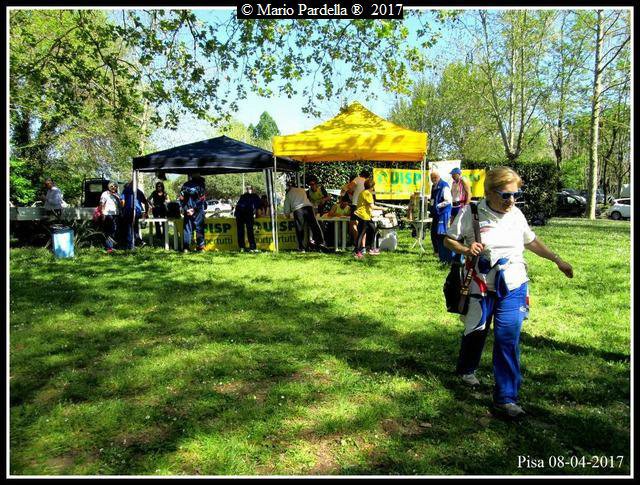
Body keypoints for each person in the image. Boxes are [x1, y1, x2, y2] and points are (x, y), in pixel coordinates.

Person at [444, 166, 574, 419]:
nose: (512, 200)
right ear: (489, 192)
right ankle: (466, 369)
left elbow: (530, 240)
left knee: (507, 338)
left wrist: (557, 260)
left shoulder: (516, 214)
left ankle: (506, 398)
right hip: (481, 285)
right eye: (506, 195)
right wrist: (466, 249)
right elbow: (449, 239)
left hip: (514, 284)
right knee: (476, 330)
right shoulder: (471, 212)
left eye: (516, 194)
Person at [283, 182, 327, 252]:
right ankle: (321, 243)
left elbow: (286, 211)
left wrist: (288, 215)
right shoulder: (302, 190)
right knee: (314, 225)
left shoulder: (288, 194)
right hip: (308, 207)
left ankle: (301, 247)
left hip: (298, 209)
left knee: (300, 228)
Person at [353, 179, 384, 259]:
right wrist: (383, 208)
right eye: (373, 186)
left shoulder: (363, 192)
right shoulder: (367, 193)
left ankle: (371, 248)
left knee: (373, 229)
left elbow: (367, 206)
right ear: (372, 187)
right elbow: (372, 206)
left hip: (366, 216)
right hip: (363, 216)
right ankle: (357, 252)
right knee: (361, 234)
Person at [429, 170, 453, 263]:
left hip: (443, 213)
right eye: (432, 178)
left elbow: (448, 201)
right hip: (436, 213)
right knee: (433, 233)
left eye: (435, 178)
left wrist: (438, 205)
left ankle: (444, 255)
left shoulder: (444, 185)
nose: (433, 179)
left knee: (441, 234)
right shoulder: (433, 186)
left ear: (438, 177)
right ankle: (436, 252)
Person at [179, 173, 207, 252]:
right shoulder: (201, 185)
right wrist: (192, 209)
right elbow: (202, 199)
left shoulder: (185, 185)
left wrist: (186, 209)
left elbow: (181, 198)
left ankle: (187, 248)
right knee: (198, 228)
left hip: (190, 210)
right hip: (196, 210)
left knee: (189, 228)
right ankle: (200, 247)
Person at [343, 170, 370, 248]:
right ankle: (363, 246)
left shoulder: (358, 179)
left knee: (353, 224)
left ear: (360, 175)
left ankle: (356, 242)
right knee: (363, 227)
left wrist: (345, 190)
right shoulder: (368, 182)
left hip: (355, 204)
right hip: (364, 206)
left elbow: (349, 187)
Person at [120, 181, 149, 250]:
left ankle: (131, 245)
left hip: (129, 211)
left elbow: (122, 202)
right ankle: (138, 242)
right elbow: (145, 202)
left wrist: (122, 209)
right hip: (137, 212)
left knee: (129, 228)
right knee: (134, 228)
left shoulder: (126, 190)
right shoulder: (138, 191)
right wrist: (146, 212)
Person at [235, 185, 262, 252]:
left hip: (242, 214)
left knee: (244, 231)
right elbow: (258, 208)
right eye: (248, 189)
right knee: (248, 231)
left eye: (250, 189)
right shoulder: (253, 196)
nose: (249, 190)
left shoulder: (244, 196)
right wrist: (258, 214)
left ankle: (244, 247)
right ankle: (250, 247)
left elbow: (257, 207)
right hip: (243, 214)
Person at [99, 182, 121, 254]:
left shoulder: (117, 194)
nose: (113, 187)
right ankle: (109, 248)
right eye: (111, 186)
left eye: (115, 186)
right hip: (108, 214)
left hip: (116, 214)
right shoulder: (105, 193)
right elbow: (101, 203)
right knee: (109, 230)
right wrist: (102, 213)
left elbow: (120, 205)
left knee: (114, 230)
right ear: (108, 187)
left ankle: (113, 246)